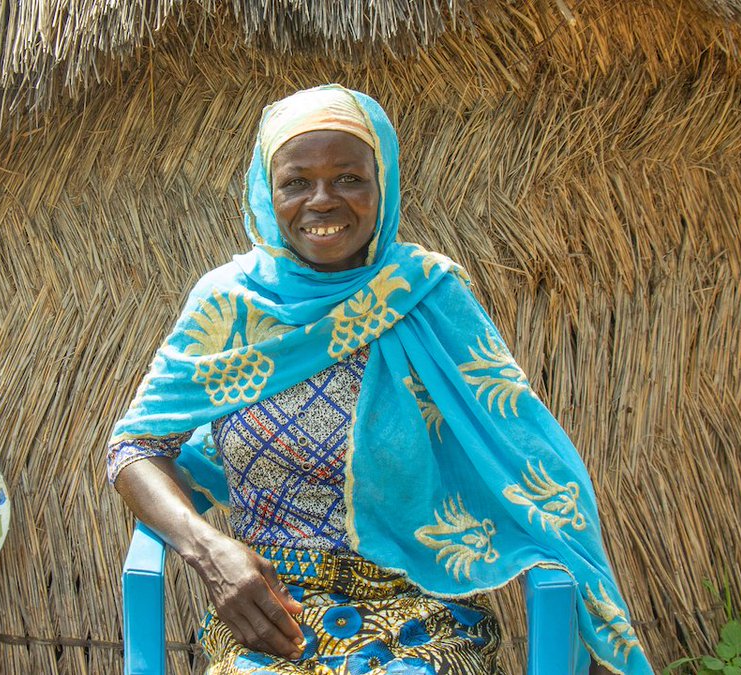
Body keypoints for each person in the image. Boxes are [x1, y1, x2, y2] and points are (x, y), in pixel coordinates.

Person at [106, 85, 649, 674]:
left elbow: (520, 447)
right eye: (296, 182)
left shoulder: (425, 294)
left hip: (424, 610)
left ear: (382, 186)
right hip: (275, 618)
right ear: (268, 190)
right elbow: (135, 445)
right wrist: (209, 548)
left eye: (348, 178)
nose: (322, 200)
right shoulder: (227, 306)